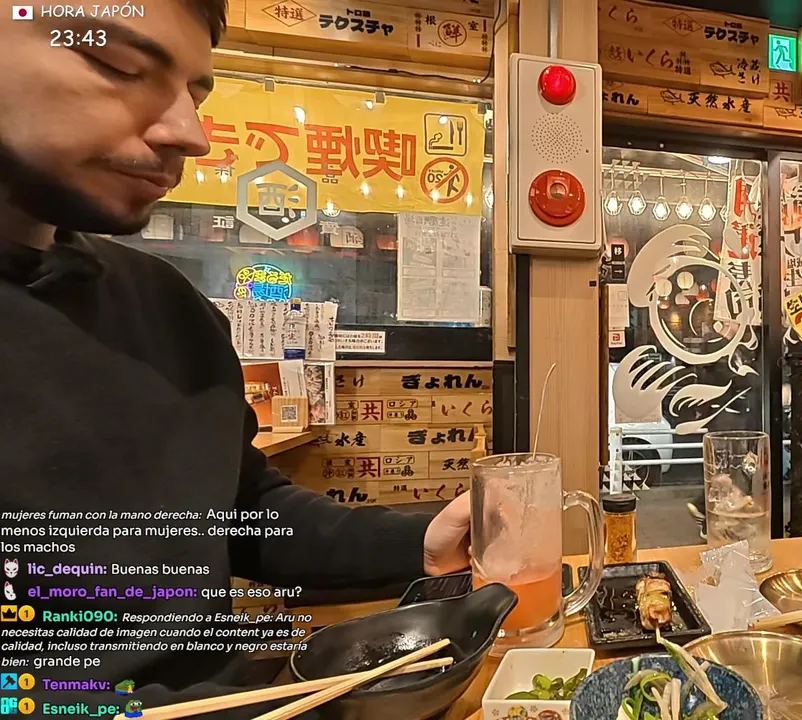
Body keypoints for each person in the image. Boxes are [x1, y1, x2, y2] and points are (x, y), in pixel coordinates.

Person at [0, 0, 473, 715]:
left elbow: (240, 509)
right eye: (118, 66)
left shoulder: (164, 304)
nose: (189, 134)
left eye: (195, 93)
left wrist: (422, 543)